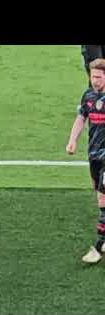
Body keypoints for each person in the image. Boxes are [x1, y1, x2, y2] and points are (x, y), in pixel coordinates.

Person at [66, 59, 105, 263]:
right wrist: (72, 140)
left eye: (99, 77)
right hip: (94, 156)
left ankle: (98, 248)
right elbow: (81, 118)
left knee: (103, 199)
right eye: (93, 76)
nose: (95, 80)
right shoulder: (88, 96)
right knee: (100, 197)